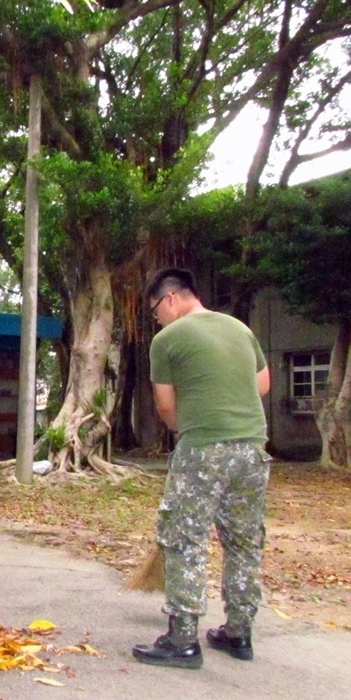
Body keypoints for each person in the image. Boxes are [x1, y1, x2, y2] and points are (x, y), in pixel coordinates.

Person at [132, 268, 271, 669]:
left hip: (203, 448)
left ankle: (182, 640)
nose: (156, 318)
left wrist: (188, 423)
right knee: (244, 541)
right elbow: (261, 385)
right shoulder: (240, 329)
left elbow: (164, 406)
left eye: (155, 309)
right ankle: (239, 632)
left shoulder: (168, 339)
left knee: (185, 539)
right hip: (252, 450)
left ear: (171, 298)